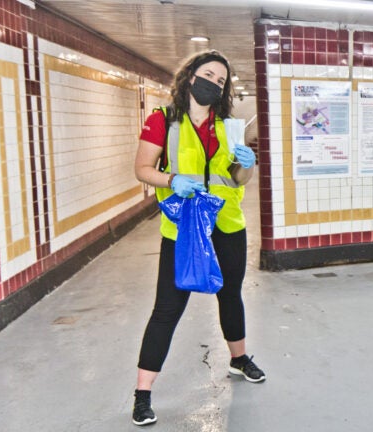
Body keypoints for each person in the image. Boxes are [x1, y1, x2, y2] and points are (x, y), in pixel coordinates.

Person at [132, 50, 265, 426]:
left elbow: (237, 179)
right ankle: (143, 394)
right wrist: (173, 180)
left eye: (221, 81)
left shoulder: (227, 125)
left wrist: (247, 162)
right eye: (209, 75)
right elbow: (142, 168)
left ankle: (239, 359)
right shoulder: (163, 120)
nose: (214, 83)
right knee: (168, 308)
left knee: (231, 294)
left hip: (227, 223)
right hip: (185, 227)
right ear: (190, 76)